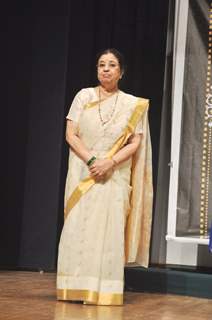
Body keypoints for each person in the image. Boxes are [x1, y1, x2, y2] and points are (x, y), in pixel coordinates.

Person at [57, 48, 153, 306]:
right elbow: (70, 134)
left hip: (114, 173)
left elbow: (135, 142)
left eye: (112, 65)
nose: (106, 69)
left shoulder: (132, 104)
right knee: (79, 226)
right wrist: (92, 160)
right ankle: (75, 287)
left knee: (107, 231)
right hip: (84, 171)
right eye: (101, 65)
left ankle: (103, 290)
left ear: (122, 72)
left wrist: (109, 162)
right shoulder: (83, 96)